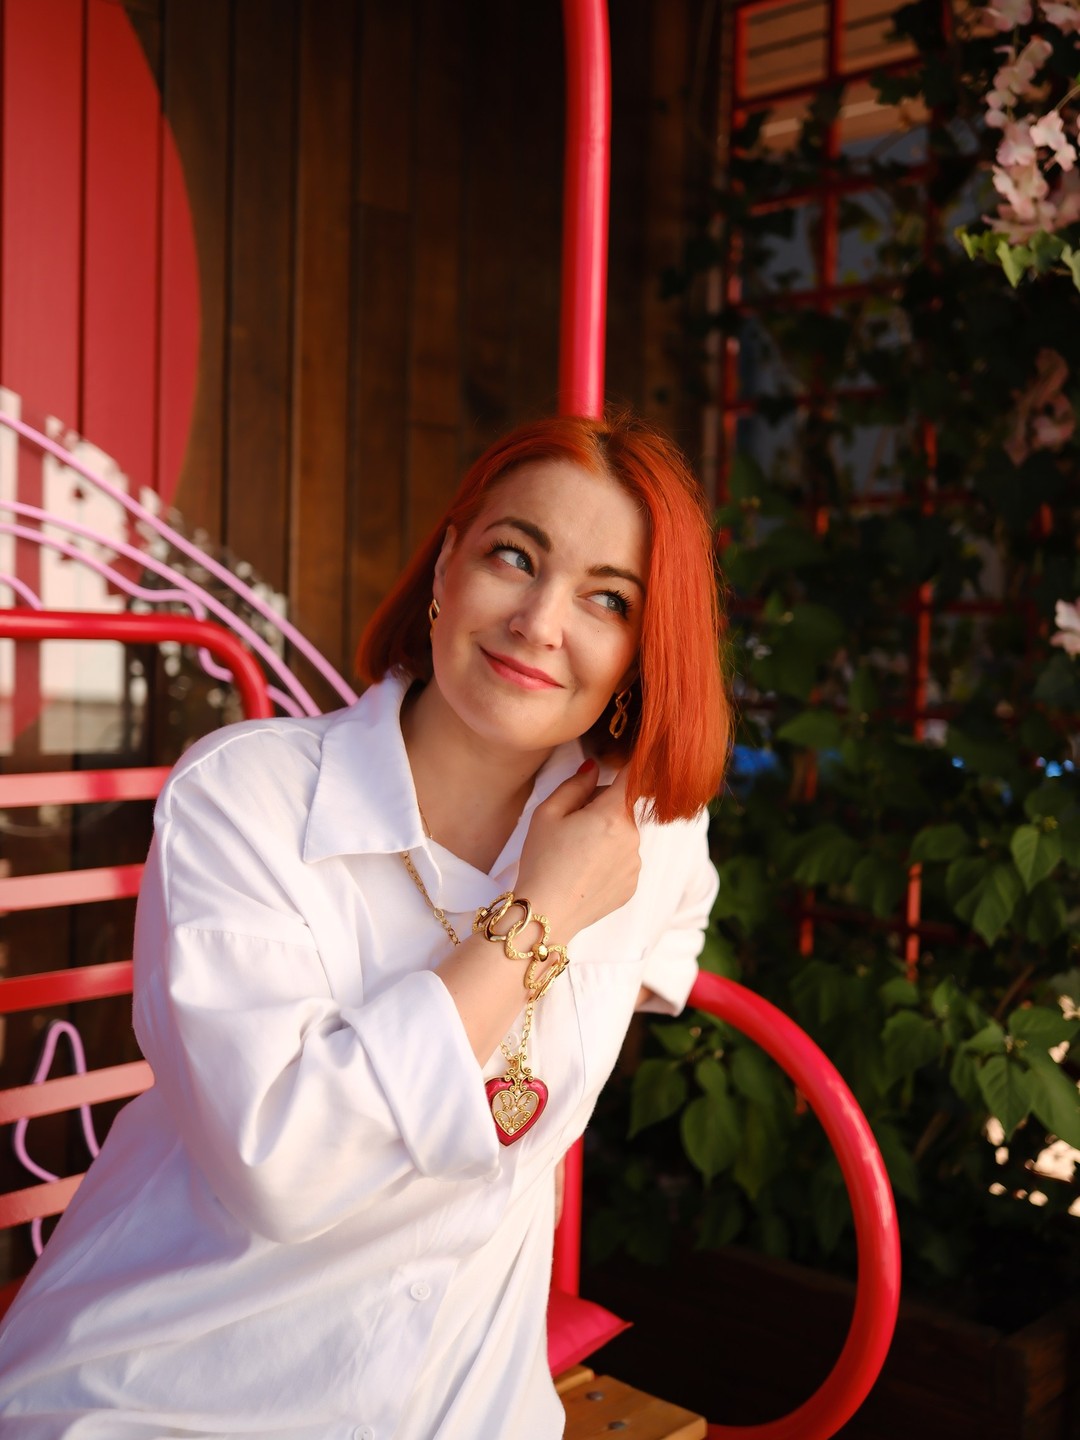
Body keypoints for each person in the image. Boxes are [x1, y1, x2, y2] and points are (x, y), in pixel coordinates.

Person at [0, 411, 730, 1439]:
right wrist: (539, 918)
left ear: (642, 656)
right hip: (167, 1396)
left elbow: (664, 944)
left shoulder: (649, 835)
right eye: (514, 557)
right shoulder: (246, 801)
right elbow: (284, 1173)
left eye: (607, 599)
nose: (539, 622)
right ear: (446, 565)